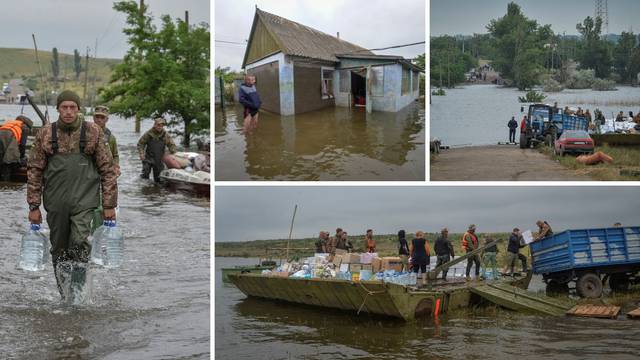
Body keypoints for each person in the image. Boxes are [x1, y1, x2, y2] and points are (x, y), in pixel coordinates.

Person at [27, 90, 117, 300]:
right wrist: (33, 206)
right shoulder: (46, 133)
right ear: (58, 109)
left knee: (79, 241)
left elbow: (108, 170)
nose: (68, 112)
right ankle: (64, 295)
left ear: (79, 109)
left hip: (85, 201)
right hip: (55, 203)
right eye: (64, 107)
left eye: (73, 107)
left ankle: (78, 293)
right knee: (59, 248)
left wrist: (109, 205)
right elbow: (34, 170)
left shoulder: (93, 131)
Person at [137, 118, 177, 183]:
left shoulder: (165, 135)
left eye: (161, 125)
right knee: (145, 174)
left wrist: (173, 153)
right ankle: (144, 189)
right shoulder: (148, 134)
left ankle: (156, 191)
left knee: (158, 180)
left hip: (159, 159)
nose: (160, 127)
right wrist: (141, 154)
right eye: (158, 125)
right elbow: (140, 144)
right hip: (148, 158)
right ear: (154, 125)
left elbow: (172, 145)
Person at [0, 115, 32, 180]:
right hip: (10, 140)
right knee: (8, 163)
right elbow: (22, 145)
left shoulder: (8, 123)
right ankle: (6, 185)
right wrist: (22, 157)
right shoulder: (24, 127)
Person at [92, 105, 120, 177]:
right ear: (93, 118)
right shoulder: (85, 133)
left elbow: (115, 155)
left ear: (107, 119)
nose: (99, 120)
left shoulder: (111, 138)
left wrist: (116, 167)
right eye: (97, 117)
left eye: (102, 117)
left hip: (105, 173)